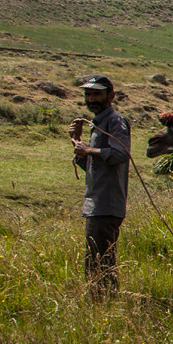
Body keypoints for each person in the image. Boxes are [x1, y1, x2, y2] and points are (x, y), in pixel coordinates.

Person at [70, 74, 130, 300]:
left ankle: (103, 303)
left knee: (101, 261)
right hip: (97, 203)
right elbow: (94, 167)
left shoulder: (115, 122)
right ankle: (102, 300)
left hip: (106, 203)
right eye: (88, 94)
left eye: (97, 93)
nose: (91, 98)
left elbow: (121, 154)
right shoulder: (97, 124)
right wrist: (76, 141)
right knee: (95, 259)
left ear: (111, 95)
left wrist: (88, 150)